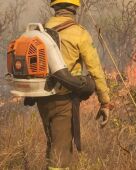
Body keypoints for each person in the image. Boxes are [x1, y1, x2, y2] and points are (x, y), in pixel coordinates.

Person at [36, 0, 112, 169]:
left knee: (53, 143)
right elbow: (95, 70)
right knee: (61, 154)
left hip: (41, 99)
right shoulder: (79, 33)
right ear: (75, 7)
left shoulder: (40, 30)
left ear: (54, 6)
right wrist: (105, 101)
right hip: (64, 100)